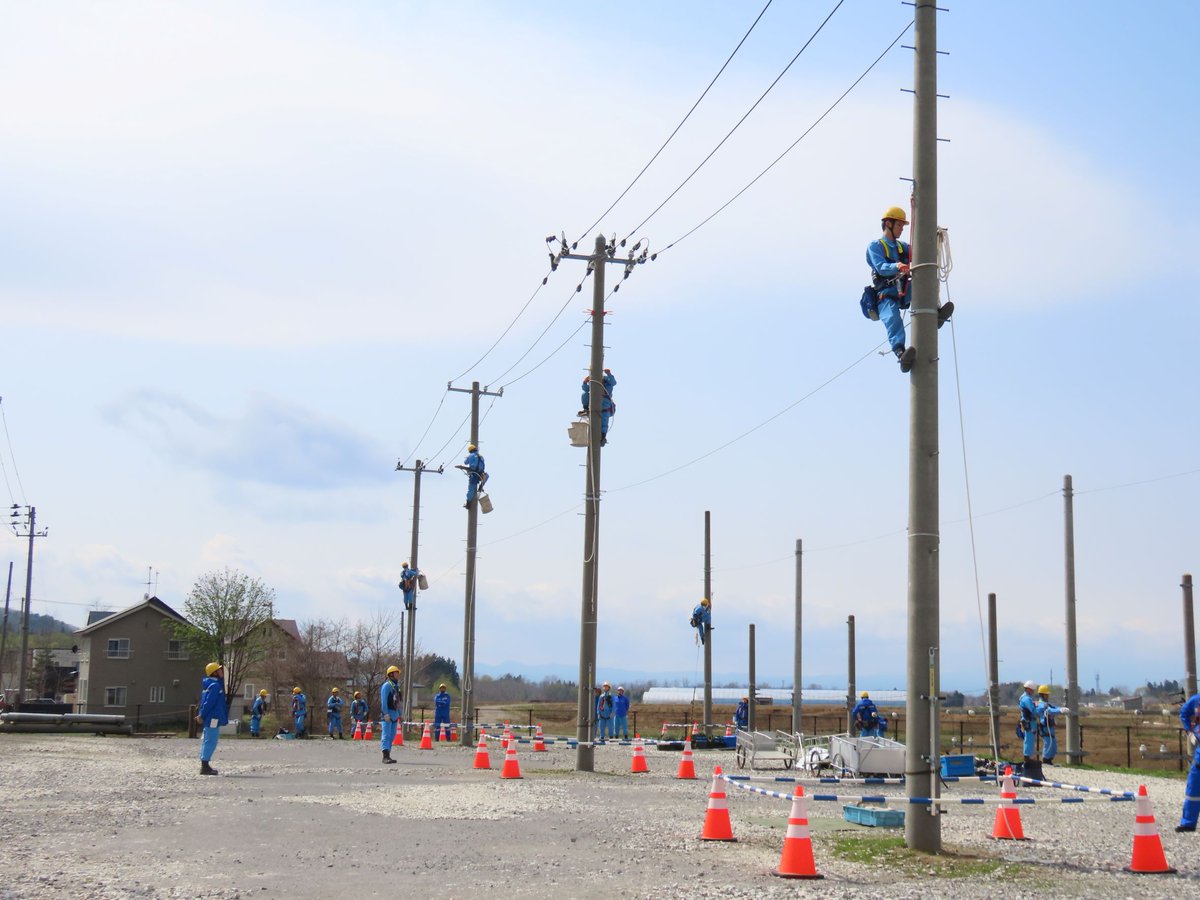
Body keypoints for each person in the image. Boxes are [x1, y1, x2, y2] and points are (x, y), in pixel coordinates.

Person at [865, 205, 953, 373]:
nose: (901, 229)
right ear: (888, 224)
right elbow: (881, 267)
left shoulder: (902, 247)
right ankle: (901, 354)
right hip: (886, 294)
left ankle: (936, 315)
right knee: (893, 319)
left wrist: (933, 238)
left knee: (926, 282)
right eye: (899, 225)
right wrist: (897, 266)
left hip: (904, 290)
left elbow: (921, 251)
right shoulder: (876, 246)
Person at [196, 662, 228, 775]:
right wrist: (202, 715)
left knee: (208, 740)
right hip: (213, 718)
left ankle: (205, 764)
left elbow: (205, 702)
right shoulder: (215, 686)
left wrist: (202, 714)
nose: (221, 671)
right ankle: (205, 766)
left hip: (211, 717)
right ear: (214, 673)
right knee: (211, 741)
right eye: (219, 670)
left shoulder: (210, 685)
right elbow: (209, 703)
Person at [1177, 691, 1200, 832]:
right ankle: (1188, 823)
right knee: (1193, 787)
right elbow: (1183, 713)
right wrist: (1189, 732)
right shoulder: (1196, 700)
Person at [579, 368, 617, 445]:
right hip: (593, 403)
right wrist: (585, 382)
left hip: (605, 406)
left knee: (604, 422)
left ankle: (602, 437)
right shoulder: (593, 381)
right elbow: (585, 389)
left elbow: (613, 382)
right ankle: (586, 409)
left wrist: (609, 374)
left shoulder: (607, 381)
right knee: (584, 394)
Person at [1036, 685, 1067, 765]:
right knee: (1048, 743)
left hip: (1050, 727)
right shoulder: (1041, 705)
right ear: (1042, 695)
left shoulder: (1047, 704)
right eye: (1046, 694)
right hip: (1045, 727)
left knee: (1053, 745)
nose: (1048, 696)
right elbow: (1050, 710)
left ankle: (1049, 759)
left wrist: (1061, 709)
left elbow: (1054, 708)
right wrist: (1060, 710)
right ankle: (1045, 760)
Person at [1017, 680, 1041, 778]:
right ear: (1029, 689)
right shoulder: (1026, 699)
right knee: (1029, 741)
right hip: (1029, 723)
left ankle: (1028, 758)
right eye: (1032, 690)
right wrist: (1040, 707)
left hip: (1029, 722)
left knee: (1029, 741)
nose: (1033, 692)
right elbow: (1034, 711)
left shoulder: (1025, 698)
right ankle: (1027, 760)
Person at [380, 665, 402, 764]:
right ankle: (385, 756)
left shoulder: (396, 687)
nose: (398, 675)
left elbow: (398, 702)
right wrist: (385, 713)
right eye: (396, 673)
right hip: (387, 714)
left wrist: (400, 714)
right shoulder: (386, 685)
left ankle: (388, 754)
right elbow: (384, 700)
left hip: (394, 714)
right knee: (386, 735)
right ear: (391, 674)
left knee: (392, 735)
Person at [458, 444, 488, 509]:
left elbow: (465, 462)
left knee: (471, 489)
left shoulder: (471, 455)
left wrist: (468, 458)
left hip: (474, 474)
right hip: (481, 474)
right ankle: (480, 487)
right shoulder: (481, 456)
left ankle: (468, 503)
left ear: (470, 451)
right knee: (486, 476)